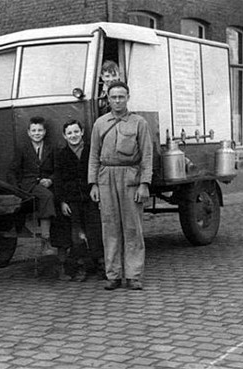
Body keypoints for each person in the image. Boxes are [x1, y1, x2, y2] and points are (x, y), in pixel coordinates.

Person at [88, 81, 153, 290]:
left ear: (128, 97)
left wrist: (144, 184)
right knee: (110, 227)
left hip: (131, 178)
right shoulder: (100, 123)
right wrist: (94, 184)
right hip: (106, 177)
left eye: (121, 96)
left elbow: (147, 156)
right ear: (108, 99)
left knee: (132, 227)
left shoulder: (139, 123)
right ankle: (113, 275)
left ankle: (134, 275)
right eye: (113, 97)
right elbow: (94, 156)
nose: (117, 100)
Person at [54, 119, 105, 281]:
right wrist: (62, 201)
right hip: (72, 201)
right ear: (64, 136)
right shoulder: (61, 155)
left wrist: (96, 189)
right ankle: (81, 267)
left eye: (76, 132)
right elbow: (58, 180)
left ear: (82, 132)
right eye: (69, 133)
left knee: (95, 232)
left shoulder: (91, 152)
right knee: (77, 235)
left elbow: (99, 172)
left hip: (91, 198)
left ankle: (101, 266)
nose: (73, 136)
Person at [8, 116, 57, 256]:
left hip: (45, 183)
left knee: (54, 196)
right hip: (28, 184)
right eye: (34, 130)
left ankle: (58, 239)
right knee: (47, 196)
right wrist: (15, 189)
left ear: (45, 132)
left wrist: (50, 180)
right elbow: (12, 170)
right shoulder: (23, 149)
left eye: (40, 130)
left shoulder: (51, 148)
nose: (37, 133)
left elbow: (57, 169)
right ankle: (45, 240)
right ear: (29, 132)